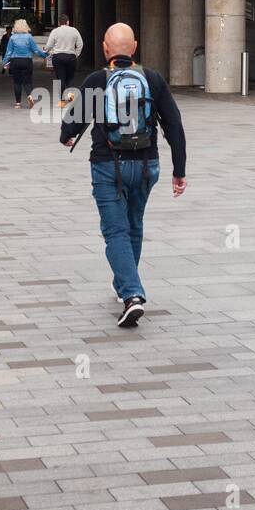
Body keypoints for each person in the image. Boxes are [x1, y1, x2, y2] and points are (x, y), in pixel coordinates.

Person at [61, 22, 186, 328]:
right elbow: (174, 125)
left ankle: (132, 295)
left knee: (115, 231)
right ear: (134, 47)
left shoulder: (97, 79)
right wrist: (179, 171)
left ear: (105, 49)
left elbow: (70, 124)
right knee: (133, 226)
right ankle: (124, 288)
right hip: (147, 165)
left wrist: (68, 135)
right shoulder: (153, 79)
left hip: (108, 165)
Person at [1, 18, 47, 108]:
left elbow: (8, 52)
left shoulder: (12, 38)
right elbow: (36, 50)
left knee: (17, 82)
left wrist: (4, 63)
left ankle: (18, 103)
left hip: (15, 61)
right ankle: (29, 96)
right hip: (27, 61)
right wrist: (45, 55)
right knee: (28, 82)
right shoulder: (29, 37)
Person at [44, 15, 83, 100]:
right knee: (70, 77)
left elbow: (49, 45)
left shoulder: (55, 31)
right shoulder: (74, 30)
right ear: (68, 22)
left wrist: (46, 51)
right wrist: (76, 54)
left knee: (60, 78)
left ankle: (62, 99)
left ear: (59, 23)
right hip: (70, 57)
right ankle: (70, 96)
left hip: (58, 57)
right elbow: (80, 44)